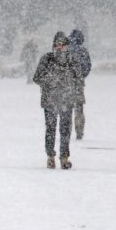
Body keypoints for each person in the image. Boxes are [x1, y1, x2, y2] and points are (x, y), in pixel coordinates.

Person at [33, 32, 81, 169]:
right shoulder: (47, 59)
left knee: (65, 130)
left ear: (67, 46)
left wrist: (75, 95)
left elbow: (79, 79)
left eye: (63, 45)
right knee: (50, 129)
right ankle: (50, 156)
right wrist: (50, 81)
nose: (60, 48)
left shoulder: (72, 61)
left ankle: (64, 157)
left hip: (67, 100)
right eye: (57, 45)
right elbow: (37, 78)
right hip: (50, 100)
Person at [68, 29, 92, 139]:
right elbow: (88, 67)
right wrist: (81, 76)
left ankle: (65, 131)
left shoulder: (65, 50)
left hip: (65, 83)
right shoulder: (83, 51)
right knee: (79, 108)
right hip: (78, 83)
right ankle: (79, 131)